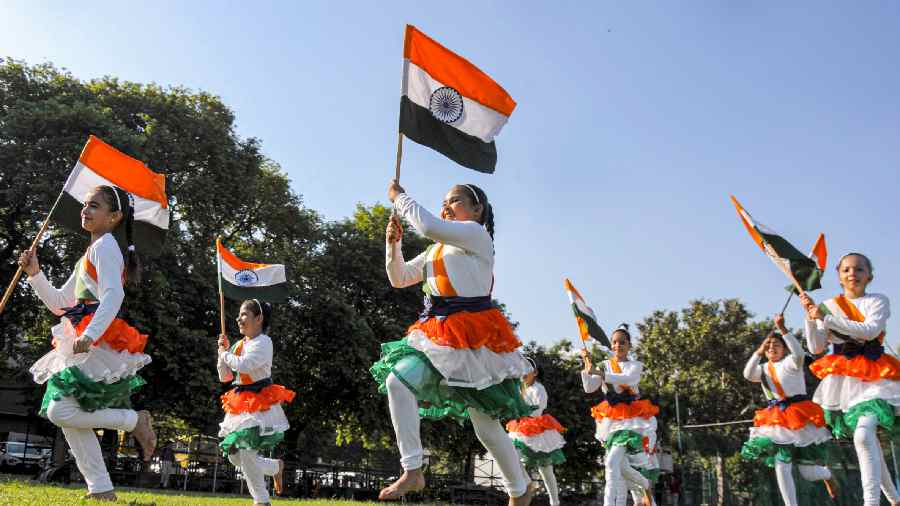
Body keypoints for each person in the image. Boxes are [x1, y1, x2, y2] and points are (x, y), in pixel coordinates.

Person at [369, 180, 535, 505]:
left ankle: (520, 489)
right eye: (444, 200)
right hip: (436, 334)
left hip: (475, 339)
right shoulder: (436, 250)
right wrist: (393, 246)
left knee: (485, 427)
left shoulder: (476, 234)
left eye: (455, 200)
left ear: (477, 210)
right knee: (397, 381)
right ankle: (413, 469)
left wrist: (399, 198)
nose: (447, 205)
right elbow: (399, 278)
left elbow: (429, 225)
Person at [20, 185, 156, 501]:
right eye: (85, 204)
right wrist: (35, 272)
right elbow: (61, 304)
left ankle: (135, 420)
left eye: (94, 205)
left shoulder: (105, 246)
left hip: (95, 340)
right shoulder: (90, 253)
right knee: (68, 414)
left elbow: (114, 295)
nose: (85, 210)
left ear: (114, 217)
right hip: (84, 336)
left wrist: (89, 335)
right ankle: (101, 489)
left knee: (59, 411)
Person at [801, 253, 900, 506]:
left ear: (870, 275)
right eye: (846, 270)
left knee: (863, 435)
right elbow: (816, 347)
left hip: (875, 375)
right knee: (867, 439)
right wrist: (809, 317)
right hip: (843, 381)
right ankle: (894, 498)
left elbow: (870, 331)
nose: (852, 274)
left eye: (859, 269)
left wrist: (825, 318)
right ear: (839, 275)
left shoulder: (878, 300)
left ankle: (871, 502)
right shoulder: (828, 306)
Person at [740, 313, 837, 505]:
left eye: (776, 345)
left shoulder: (791, 363)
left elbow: (799, 354)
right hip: (776, 418)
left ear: (784, 348)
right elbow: (748, 374)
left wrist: (783, 330)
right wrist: (758, 352)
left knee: (807, 473)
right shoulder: (763, 369)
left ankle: (827, 474)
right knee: (781, 463)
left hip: (800, 416)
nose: (772, 348)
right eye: (769, 346)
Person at [218, 299, 295, 506]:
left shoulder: (264, 342)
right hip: (239, 402)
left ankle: (262, 501)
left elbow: (245, 366)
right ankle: (274, 467)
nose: (238, 318)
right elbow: (225, 377)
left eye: (244, 314)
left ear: (259, 318)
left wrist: (226, 354)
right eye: (239, 315)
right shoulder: (238, 345)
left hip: (260, 402)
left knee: (246, 453)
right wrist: (222, 352)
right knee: (234, 456)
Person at [581, 324, 655, 506]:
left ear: (629, 345)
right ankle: (645, 486)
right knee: (620, 468)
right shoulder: (605, 365)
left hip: (631, 420)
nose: (617, 345)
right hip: (611, 421)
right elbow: (589, 387)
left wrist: (598, 372)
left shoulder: (635, 365)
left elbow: (627, 379)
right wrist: (586, 366)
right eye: (614, 342)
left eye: (622, 342)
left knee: (612, 464)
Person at [506, 358, 566, 506]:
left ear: (535, 373)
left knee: (545, 470)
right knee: (513, 457)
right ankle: (526, 485)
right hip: (520, 429)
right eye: (521, 369)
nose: (524, 373)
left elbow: (537, 409)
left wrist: (520, 409)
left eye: (527, 369)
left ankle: (555, 502)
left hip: (538, 432)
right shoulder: (518, 389)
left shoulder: (539, 389)